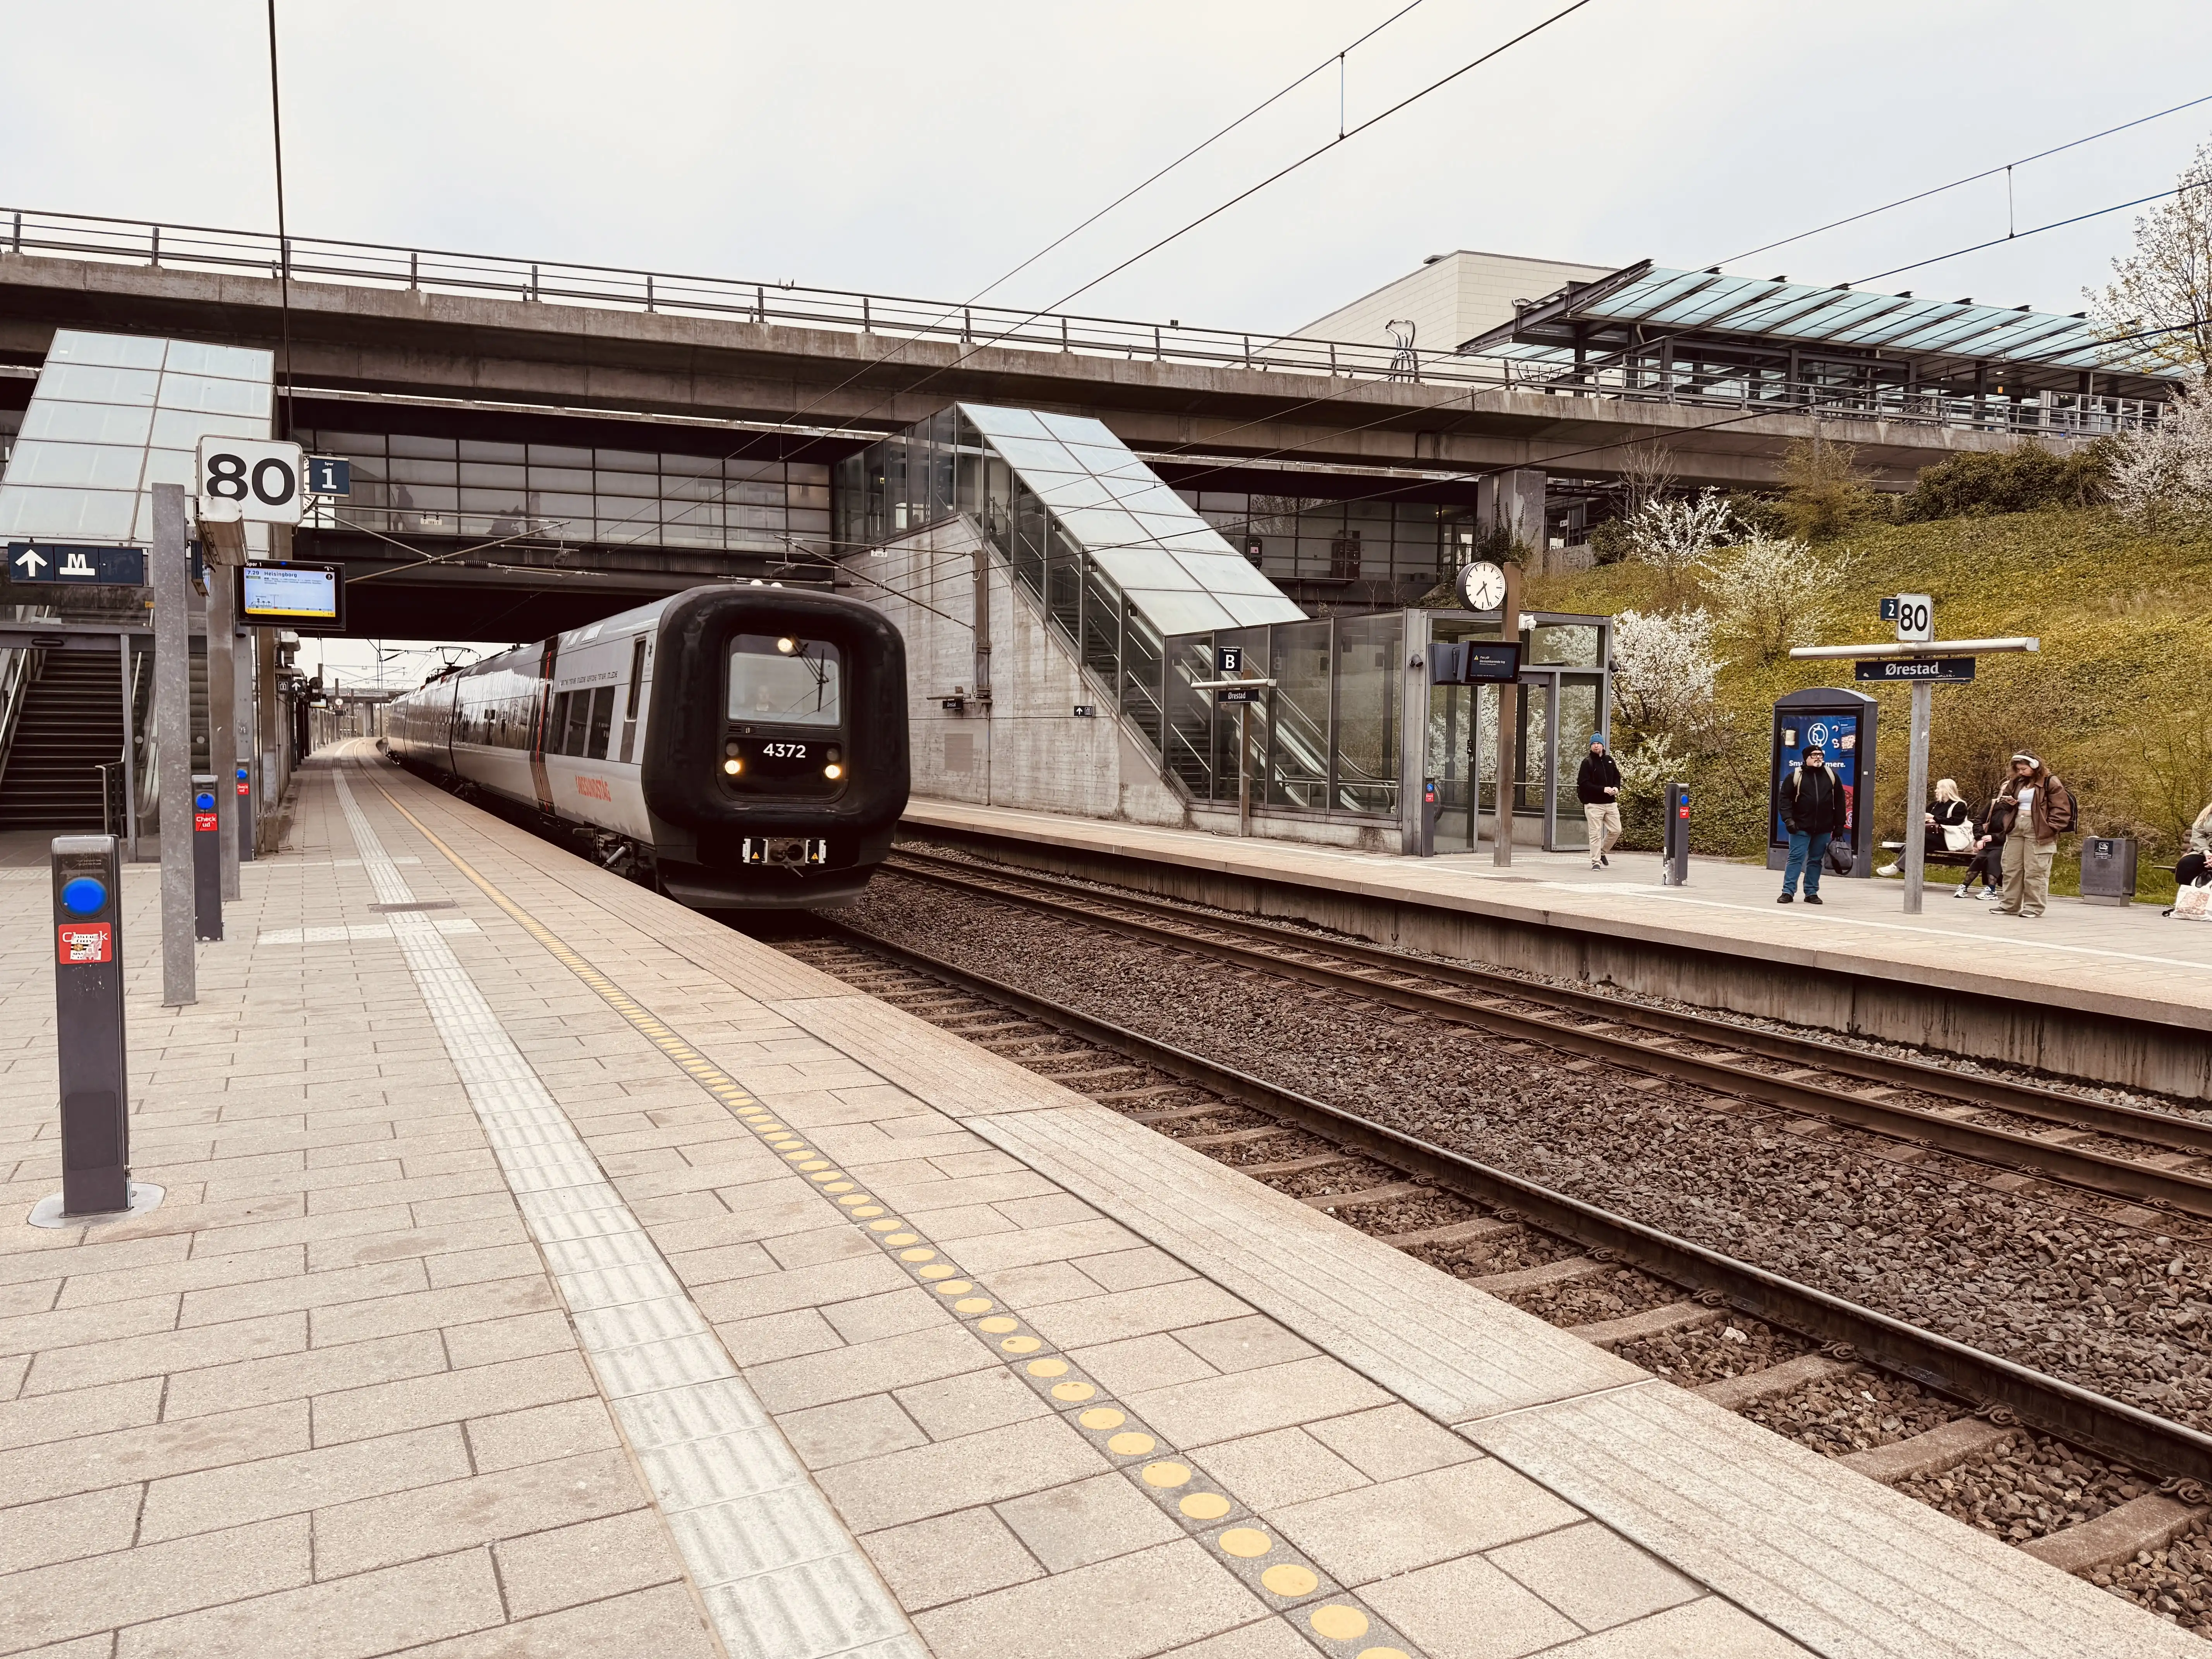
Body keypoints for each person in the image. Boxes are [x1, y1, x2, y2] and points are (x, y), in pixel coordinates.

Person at [1989, 752, 2076, 919]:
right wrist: (2008, 804)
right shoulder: (2017, 782)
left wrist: (2050, 828)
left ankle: (2034, 907)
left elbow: (2062, 809)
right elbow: (2003, 803)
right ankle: (2010, 904)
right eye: (2018, 769)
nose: (2021, 772)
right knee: (2011, 868)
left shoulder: (2051, 782)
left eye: (2024, 769)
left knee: (2035, 870)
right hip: (2016, 827)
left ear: (2036, 766)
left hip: (2039, 829)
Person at [1777, 743, 1850, 904]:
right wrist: (1789, 820)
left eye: (1820, 755)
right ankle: (1788, 892)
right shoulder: (1795, 776)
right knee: (1796, 859)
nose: (1818, 758)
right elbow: (1784, 800)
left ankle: (1811, 893)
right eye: (1814, 755)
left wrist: (1839, 825)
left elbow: (1839, 802)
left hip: (1823, 827)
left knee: (1816, 860)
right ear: (1806, 759)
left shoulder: (1831, 776)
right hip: (1800, 826)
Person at [1577, 735, 1622, 870]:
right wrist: (1602, 789)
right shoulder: (1588, 763)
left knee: (1617, 830)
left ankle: (1602, 852)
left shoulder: (1610, 761)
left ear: (1603, 746)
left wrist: (1616, 788)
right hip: (1593, 804)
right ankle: (1596, 862)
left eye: (1598, 743)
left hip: (1610, 803)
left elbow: (1617, 777)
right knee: (1595, 833)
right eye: (1594, 744)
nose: (1596, 746)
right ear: (1591, 746)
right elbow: (1583, 784)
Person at [1956, 788, 2008, 900]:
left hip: (2004, 843)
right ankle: (1964, 887)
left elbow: (2013, 829)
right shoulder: (1994, 804)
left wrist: (1995, 837)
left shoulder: (2015, 808)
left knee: (1994, 858)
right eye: (2004, 790)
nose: (2005, 793)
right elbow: (1979, 820)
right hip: (1987, 841)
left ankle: (1991, 889)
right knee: (1980, 858)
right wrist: (1979, 838)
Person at [2178, 799, 2212, 890]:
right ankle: (2187, 899)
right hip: (2206, 851)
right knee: (2187, 863)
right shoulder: (2208, 814)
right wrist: (2206, 852)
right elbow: (2198, 835)